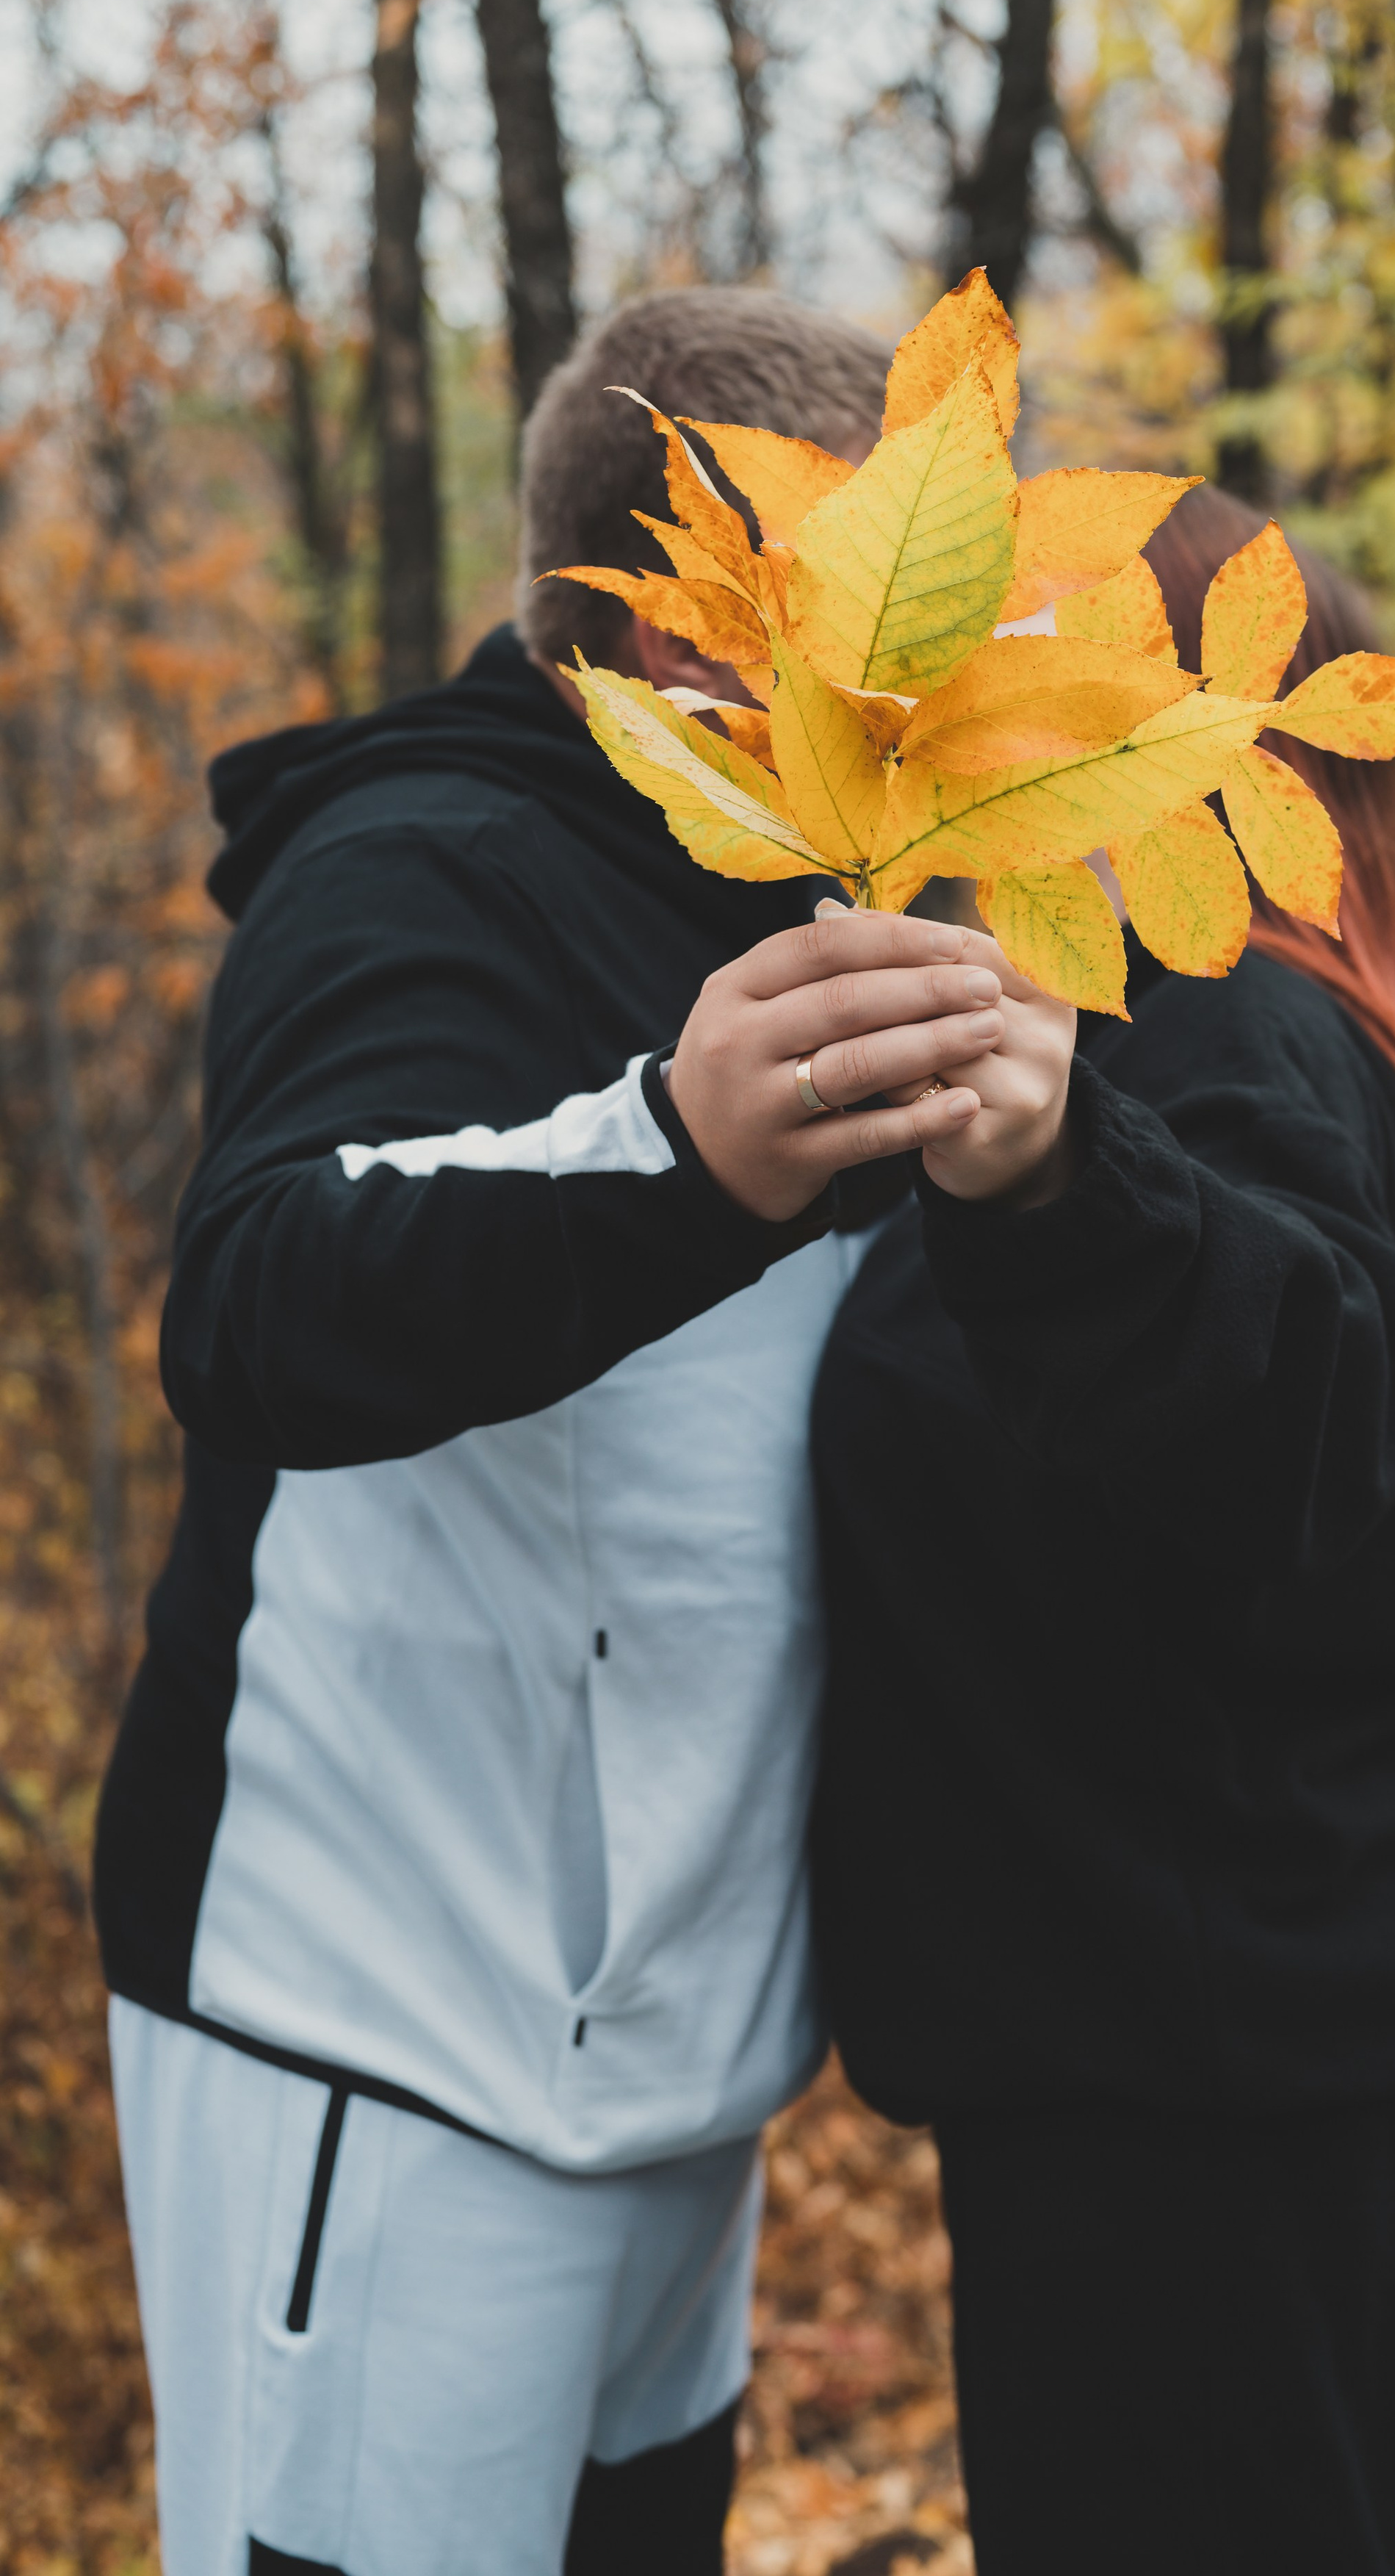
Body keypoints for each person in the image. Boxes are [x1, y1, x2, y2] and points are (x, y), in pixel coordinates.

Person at [92, 287, 1021, 2576]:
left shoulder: (807, 890)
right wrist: (683, 1151)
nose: (909, 674)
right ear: (678, 608)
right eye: (854, 596)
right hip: (379, 2033)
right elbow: (263, 1294)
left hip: (675, 2079)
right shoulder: (422, 859)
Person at [807, 483, 1395, 2575]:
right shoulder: (1201, 1010)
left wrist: (1058, 1182)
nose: (994, 724)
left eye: (1049, 673)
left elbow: (1295, 1398)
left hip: (1236, 2121)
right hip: (1240, 2076)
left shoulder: (1223, 1011)